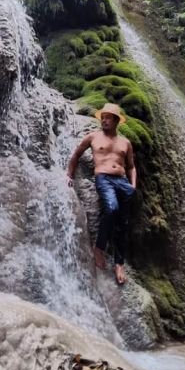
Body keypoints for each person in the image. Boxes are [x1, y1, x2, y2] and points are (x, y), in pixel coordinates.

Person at [66, 103, 136, 285]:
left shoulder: (125, 142)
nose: (104, 120)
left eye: (108, 117)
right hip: (104, 178)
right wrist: (69, 174)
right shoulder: (93, 137)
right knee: (111, 209)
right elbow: (76, 155)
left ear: (116, 121)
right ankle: (99, 247)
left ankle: (119, 264)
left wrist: (133, 185)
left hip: (123, 182)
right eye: (102, 117)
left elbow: (131, 166)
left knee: (123, 223)